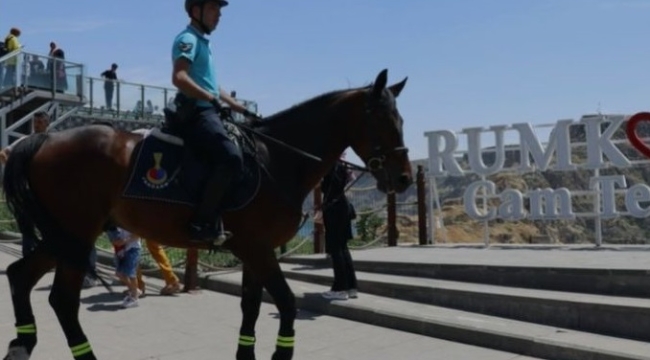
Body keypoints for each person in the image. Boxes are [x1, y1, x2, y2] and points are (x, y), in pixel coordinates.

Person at [171, 0, 261, 243]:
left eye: (219, 10)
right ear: (196, 11)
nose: (219, 15)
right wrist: (211, 98)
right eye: (213, 9)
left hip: (209, 110)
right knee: (231, 158)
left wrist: (237, 106)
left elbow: (209, 83)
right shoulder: (188, 40)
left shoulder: (202, 42)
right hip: (198, 114)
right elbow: (179, 78)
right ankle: (201, 222)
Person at [0, 112, 49, 257]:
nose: (36, 124)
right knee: (27, 225)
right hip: (28, 190)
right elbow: (3, 153)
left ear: (47, 123)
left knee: (45, 226)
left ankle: (42, 257)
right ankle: (29, 257)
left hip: (46, 191)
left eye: (40, 122)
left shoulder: (53, 140)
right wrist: (14, 170)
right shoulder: (25, 140)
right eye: (35, 122)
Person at [319, 155, 358, 300]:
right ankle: (352, 286)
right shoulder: (343, 165)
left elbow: (327, 188)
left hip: (333, 208)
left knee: (336, 248)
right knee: (343, 247)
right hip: (343, 206)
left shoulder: (331, 165)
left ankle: (340, 288)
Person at [105, 224, 142, 308]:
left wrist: (125, 241)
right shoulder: (119, 221)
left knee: (131, 274)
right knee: (119, 273)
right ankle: (134, 290)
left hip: (133, 248)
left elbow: (138, 234)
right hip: (122, 250)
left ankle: (134, 297)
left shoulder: (133, 220)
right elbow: (115, 237)